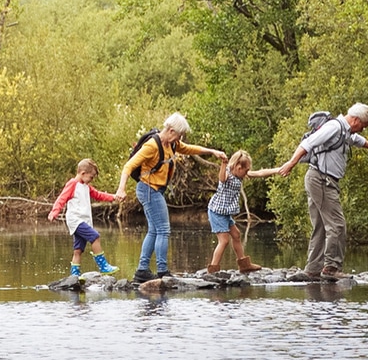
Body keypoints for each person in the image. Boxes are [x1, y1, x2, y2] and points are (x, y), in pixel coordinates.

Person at [273, 103, 368, 280]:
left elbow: (357, 140)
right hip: (322, 180)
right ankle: (331, 268)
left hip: (319, 179)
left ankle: (313, 269)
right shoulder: (334, 127)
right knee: (337, 225)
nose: (363, 130)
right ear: (356, 120)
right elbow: (308, 143)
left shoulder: (345, 131)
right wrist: (291, 163)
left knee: (320, 225)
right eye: (363, 126)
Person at [116, 112, 225, 281]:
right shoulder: (152, 146)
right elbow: (128, 166)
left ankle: (142, 271)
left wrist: (212, 151)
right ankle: (162, 271)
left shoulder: (171, 144)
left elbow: (189, 149)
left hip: (156, 190)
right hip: (148, 189)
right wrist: (121, 189)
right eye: (179, 134)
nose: (180, 138)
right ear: (171, 130)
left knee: (154, 230)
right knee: (163, 230)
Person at [207, 151, 281, 273]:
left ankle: (244, 264)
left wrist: (277, 170)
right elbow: (221, 177)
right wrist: (223, 163)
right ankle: (213, 270)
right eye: (245, 171)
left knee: (236, 235)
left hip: (225, 213)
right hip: (217, 212)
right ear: (238, 167)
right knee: (224, 241)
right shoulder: (227, 174)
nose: (246, 173)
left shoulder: (239, 175)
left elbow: (260, 173)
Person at [47, 159, 122, 277]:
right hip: (76, 220)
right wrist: (54, 211)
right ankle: (103, 266)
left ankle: (74, 275)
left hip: (84, 221)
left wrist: (113, 197)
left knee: (78, 250)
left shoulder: (86, 186)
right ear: (82, 173)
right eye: (91, 177)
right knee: (95, 237)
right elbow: (62, 198)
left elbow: (99, 195)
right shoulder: (72, 184)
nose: (91, 180)